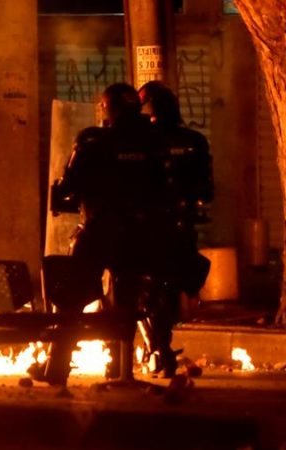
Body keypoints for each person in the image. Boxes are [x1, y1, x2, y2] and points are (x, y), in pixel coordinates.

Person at [38, 83, 171, 386]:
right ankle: (118, 368)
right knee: (124, 302)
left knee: (72, 297)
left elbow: (69, 186)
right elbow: (163, 186)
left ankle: (57, 366)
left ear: (107, 108)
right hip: (139, 235)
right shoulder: (153, 141)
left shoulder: (93, 141)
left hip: (99, 231)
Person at [137, 80, 213, 377]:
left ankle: (157, 349)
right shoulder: (195, 140)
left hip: (148, 228)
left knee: (143, 289)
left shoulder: (142, 142)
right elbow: (206, 190)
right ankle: (160, 347)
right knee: (168, 289)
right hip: (182, 227)